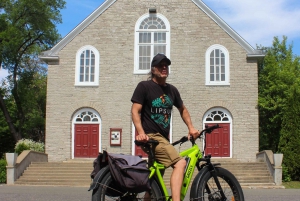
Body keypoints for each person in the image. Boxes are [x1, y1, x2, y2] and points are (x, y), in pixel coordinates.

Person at [131, 53, 199, 201]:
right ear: (153, 69)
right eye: (161, 65)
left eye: (166, 65)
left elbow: (183, 109)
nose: (164, 68)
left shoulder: (172, 90)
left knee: (153, 182)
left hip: (163, 139)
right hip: (151, 136)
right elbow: (135, 110)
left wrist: (191, 128)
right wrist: (141, 133)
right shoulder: (144, 86)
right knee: (180, 163)